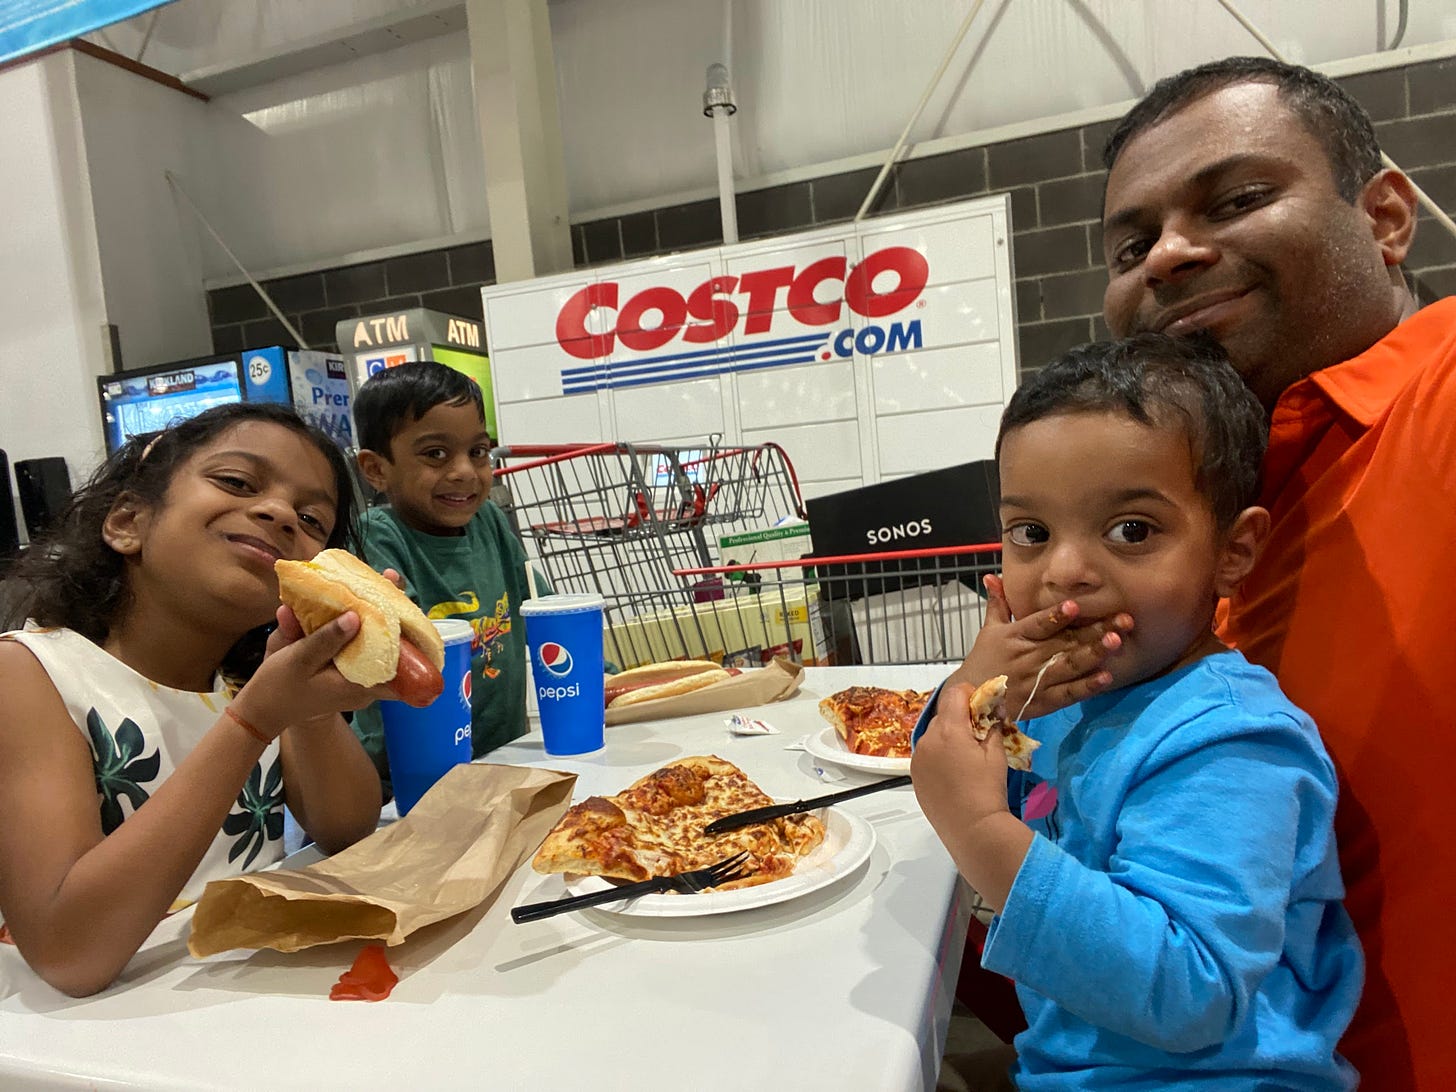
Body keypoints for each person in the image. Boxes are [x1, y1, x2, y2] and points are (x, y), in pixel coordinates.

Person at [1098, 56, 1454, 1088]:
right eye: (1130, 246)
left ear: (1385, 217)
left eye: (1237, 198)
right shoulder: (1202, 512)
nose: (1167, 255)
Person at [914, 334, 1361, 1090]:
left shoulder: (1230, 741)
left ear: (1233, 551)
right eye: (1032, 533)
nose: (1064, 571)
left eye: (1132, 531)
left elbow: (1192, 993)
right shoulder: (1058, 694)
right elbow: (945, 761)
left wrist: (981, 829)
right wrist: (979, 686)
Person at [0, 403, 384, 997]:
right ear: (127, 522)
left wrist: (308, 707)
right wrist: (253, 722)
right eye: (237, 482)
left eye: (312, 519)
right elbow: (68, 955)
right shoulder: (29, 674)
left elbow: (347, 829)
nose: (282, 513)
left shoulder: (243, 682)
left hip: (236, 1006)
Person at [349, 363, 544, 794]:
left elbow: (540, 610)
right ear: (376, 469)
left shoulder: (490, 522)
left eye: (478, 451)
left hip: (500, 758)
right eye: (436, 454)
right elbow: (409, 658)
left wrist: (605, 680)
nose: (464, 471)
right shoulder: (375, 540)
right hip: (404, 779)